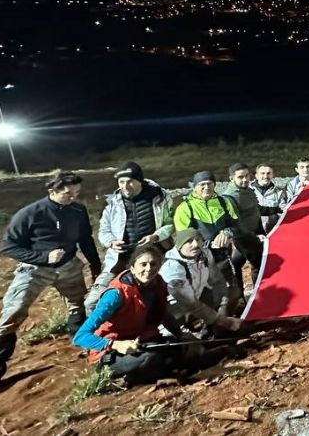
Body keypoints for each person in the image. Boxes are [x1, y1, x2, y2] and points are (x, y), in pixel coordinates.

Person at [0, 172, 102, 393]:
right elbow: (9, 247)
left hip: (69, 266)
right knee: (14, 310)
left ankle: (81, 340)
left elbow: (85, 239)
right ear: (52, 191)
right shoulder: (30, 213)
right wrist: (43, 258)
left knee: (77, 303)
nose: (73, 197)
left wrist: (95, 265)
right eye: (68, 193)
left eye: (76, 193)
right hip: (35, 269)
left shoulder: (78, 210)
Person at [72, 246, 188, 385]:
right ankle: (124, 380)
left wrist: (181, 335)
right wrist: (115, 345)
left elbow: (163, 314)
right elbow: (80, 337)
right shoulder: (116, 294)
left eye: (153, 264)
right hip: (111, 351)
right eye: (143, 264)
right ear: (132, 268)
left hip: (141, 341)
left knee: (177, 349)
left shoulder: (158, 284)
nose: (148, 269)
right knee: (151, 358)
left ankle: (160, 371)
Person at [87, 162, 175, 314]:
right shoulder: (113, 202)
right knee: (93, 301)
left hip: (154, 255)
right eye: (121, 182)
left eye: (130, 182)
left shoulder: (160, 198)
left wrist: (155, 236)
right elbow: (104, 230)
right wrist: (111, 242)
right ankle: (98, 334)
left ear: (139, 180)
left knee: (166, 296)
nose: (125, 186)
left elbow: (170, 225)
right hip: (120, 257)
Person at [172, 171, 240, 314]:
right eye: (202, 184)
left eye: (210, 183)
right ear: (194, 187)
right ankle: (208, 324)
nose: (206, 187)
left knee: (231, 289)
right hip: (200, 261)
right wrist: (207, 244)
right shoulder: (185, 208)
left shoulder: (223, 202)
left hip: (223, 256)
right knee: (205, 293)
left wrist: (227, 232)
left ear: (215, 185)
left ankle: (229, 316)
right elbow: (184, 239)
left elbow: (235, 224)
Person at [160, 229, 242, 332]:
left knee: (233, 292)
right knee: (189, 339)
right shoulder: (172, 267)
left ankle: (212, 327)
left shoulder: (205, 254)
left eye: (198, 239)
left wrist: (222, 306)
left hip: (197, 298)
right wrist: (221, 320)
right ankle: (185, 330)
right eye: (189, 241)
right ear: (179, 245)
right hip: (175, 310)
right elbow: (189, 303)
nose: (195, 244)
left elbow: (217, 281)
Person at [220, 163, 267, 301]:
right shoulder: (230, 197)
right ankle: (257, 297)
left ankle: (240, 294)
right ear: (231, 178)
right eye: (240, 177)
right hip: (245, 238)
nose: (245, 179)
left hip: (255, 234)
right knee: (259, 266)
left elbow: (256, 210)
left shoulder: (248, 190)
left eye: (247, 176)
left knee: (236, 263)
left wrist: (279, 209)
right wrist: (255, 237)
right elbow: (237, 223)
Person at [251, 164, 286, 233]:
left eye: (268, 173)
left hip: (273, 232)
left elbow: (283, 213)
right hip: (253, 234)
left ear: (272, 175)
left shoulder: (279, 192)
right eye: (262, 173)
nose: (266, 176)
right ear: (256, 176)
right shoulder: (247, 191)